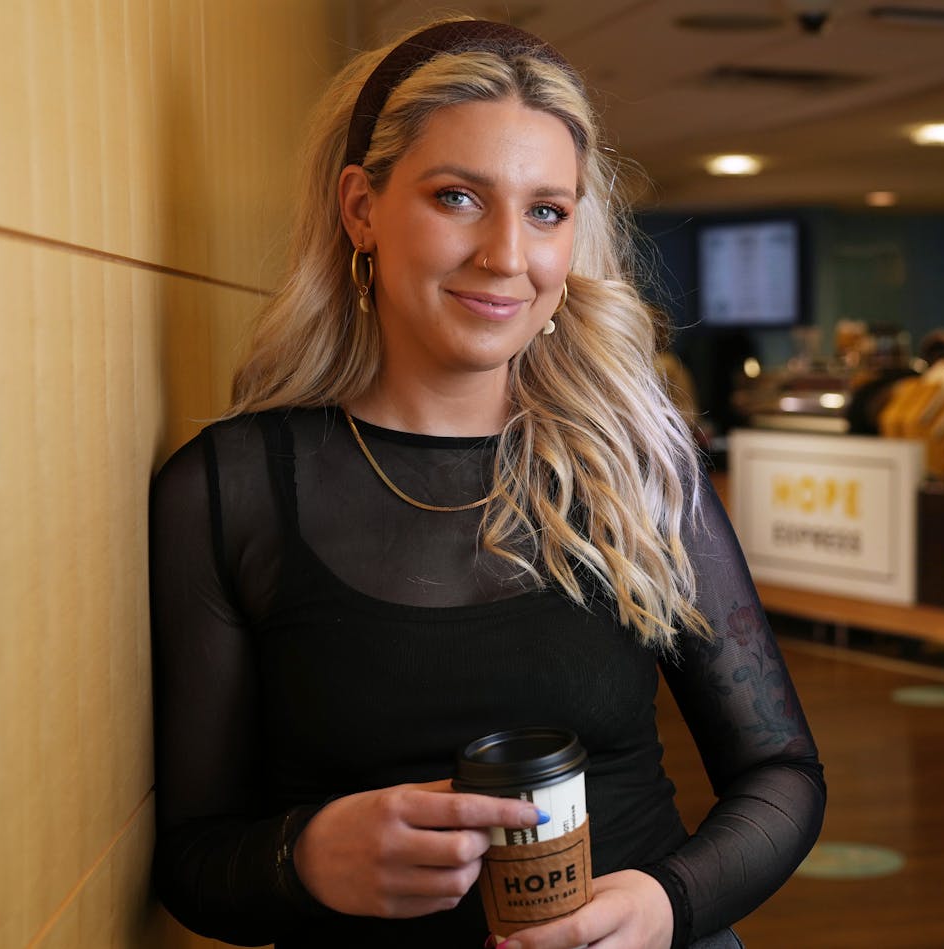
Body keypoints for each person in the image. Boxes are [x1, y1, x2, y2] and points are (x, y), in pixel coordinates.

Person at [148, 16, 825, 949]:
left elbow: (782, 774)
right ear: (360, 208)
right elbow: (192, 858)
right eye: (459, 196)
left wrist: (667, 905)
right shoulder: (228, 492)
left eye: (547, 210)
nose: (509, 254)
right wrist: (304, 856)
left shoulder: (640, 465)